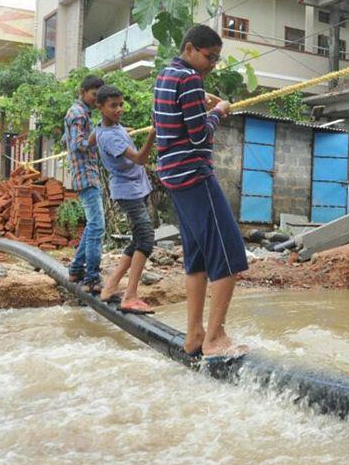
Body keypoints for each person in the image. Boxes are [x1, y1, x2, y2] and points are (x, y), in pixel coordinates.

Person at [152, 25, 248, 357]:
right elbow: (199, 136)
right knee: (230, 253)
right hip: (194, 174)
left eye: (216, 60)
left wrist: (205, 104)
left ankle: (194, 335)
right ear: (190, 48)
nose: (211, 65)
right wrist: (218, 112)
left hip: (173, 176)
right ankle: (215, 338)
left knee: (197, 257)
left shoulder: (165, 75)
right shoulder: (190, 79)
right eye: (209, 57)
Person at [94, 85, 158, 314]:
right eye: (113, 106)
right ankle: (130, 295)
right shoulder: (110, 137)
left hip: (134, 188)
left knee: (138, 238)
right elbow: (140, 159)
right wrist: (153, 134)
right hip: (128, 191)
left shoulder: (105, 129)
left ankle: (110, 286)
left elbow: (95, 136)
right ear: (99, 107)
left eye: (121, 104)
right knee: (147, 240)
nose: (119, 109)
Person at [63, 75, 106, 293]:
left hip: (86, 174)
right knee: (98, 227)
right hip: (85, 176)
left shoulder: (79, 113)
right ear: (83, 92)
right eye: (94, 95)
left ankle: (76, 269)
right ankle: (92, 278)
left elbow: (66, 141)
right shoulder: (79, 113)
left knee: (92, 226)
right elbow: (79, 144)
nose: (96, 99)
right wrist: (101, 132)